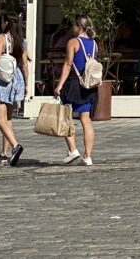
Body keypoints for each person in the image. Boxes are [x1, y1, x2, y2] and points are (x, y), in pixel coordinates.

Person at [53, 15, 100, 167]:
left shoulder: (73, 42)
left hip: (74, 84)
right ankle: (87, 156)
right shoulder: (94, 43)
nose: (72, 28)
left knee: (65, 117)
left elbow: (68, 65)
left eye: (74, 25)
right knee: (86, 120)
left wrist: (59, 85)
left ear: (79, 26)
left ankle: (72, 150)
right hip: (89, 85)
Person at [0, 13, 29, 166]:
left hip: (3, 78)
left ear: (6, 23)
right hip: (16, 77)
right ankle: (4, 153)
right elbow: (25, 64)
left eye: (2, 21)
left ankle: (15, 146)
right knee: (8, 119)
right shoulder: (22, 40)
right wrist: (26, 84)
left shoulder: (1, 38)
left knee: (0, 120)